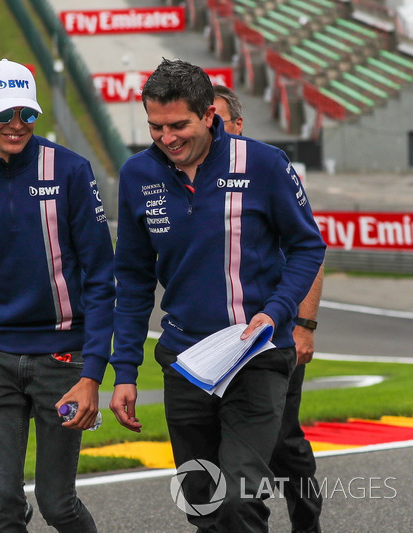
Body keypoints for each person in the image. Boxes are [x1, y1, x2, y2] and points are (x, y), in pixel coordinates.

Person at [110, 59, 326, 532]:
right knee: (202, 505)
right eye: (156, 127)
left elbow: (309, 245)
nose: (167, 138)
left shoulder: (264, 164)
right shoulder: (137, 175)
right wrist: (124, 370)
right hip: (186, 362)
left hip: (259, 356)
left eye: (179, 125)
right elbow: (131, 280)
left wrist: (277, 312)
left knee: (239, 499)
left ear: (210, 115)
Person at [0, 59, 114, 532]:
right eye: (5, 114)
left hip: (61, 360)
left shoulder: (72, 171)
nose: (17, 125)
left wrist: (93, 372)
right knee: (5, 505)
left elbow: (101, 277)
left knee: (58, 505)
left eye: (27, 115)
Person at [214, 83, 326, 532]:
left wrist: (303, 326)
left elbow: (311, 252)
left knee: (283, 444)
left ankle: (306, 524)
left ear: (237, 125)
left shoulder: (267, 170)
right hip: (215, 342)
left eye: (216, 120)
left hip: (275, 337)